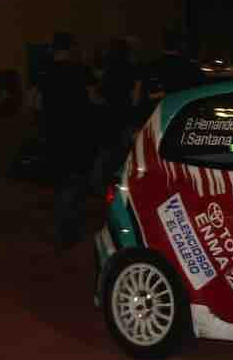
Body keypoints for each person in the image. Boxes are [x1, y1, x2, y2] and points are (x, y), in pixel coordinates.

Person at [38, 31, 99, 250]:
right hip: (77, 133)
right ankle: (68, 229)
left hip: (54, 133)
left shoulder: (45, 72)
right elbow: (94, 98)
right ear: (71, 48)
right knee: (76, 182)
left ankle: (64, 227)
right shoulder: (81, 71)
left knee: (61, 181)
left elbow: (36, 103)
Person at [93, 37, 141, 191]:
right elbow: (135, 96)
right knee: (122, 152)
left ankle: (100, 184)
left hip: (108, 114)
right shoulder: (131, 69)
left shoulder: (106, 70)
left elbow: (98, 94)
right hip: (124, 113)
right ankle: (118, 185)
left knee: (106, 150)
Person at [135, 27, 206, 128]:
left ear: (161, 45)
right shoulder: (192, 69)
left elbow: (140, 99)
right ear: (181, 45)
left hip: (156, 122)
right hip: (184, 121)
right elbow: (202, 96)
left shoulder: (150, 68)